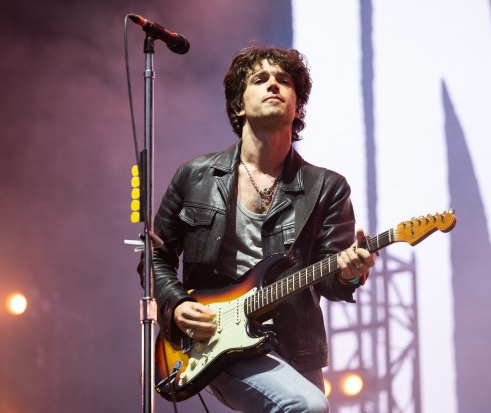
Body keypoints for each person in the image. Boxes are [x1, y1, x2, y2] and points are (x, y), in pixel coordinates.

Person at [150, 45, 376, 413]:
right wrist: (176, 305)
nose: (274, 85)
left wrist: (351, 274)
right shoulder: (195, 176)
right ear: (238, 106)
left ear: (297, 107)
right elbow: (156, 257)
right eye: (260, 80)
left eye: (284, 81)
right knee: (308, 407)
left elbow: (330, 281)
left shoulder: (327, 187)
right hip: (216, 337)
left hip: (295, 345)